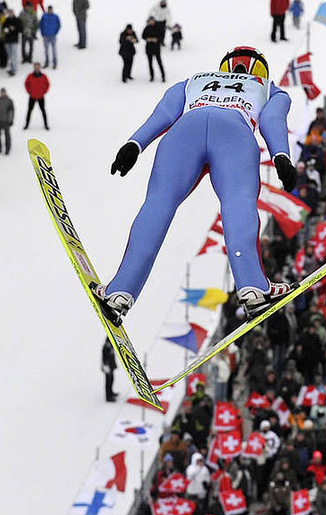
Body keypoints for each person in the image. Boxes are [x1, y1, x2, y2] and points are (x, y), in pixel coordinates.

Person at [97, 46, 297, 324]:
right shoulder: (269, 88)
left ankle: (120, 292)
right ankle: (253, 288)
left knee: (158, 204)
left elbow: (163, 114)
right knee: (237, 204)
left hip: (184, 133)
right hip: (234, 134)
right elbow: (272, 121)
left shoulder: (193, 81)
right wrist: (281, 158)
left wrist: (134, 144)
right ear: (260, 70)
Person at [24, 62, 50, 129]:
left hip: (41, 96)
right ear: (34, 68)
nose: (37, 68)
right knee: (29, 110)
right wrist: (29, 91)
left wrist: (44, 92)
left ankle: (46, 125)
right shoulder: (30, 76)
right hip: (32, 96)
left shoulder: (44, 76)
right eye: (35, 67)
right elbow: (26, 84)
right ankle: (26, 125)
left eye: (38, 67)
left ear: (39, 68)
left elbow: (47, 84)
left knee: (43, 110)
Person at [142, 17, 165, 83]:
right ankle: (152, 76)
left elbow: (162, 36)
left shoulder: (158, 27)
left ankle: (163, 76)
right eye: (150, 21)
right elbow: (143, 36)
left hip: (156, 48)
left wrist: (156, 39)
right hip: (149, 48)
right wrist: (147, 39)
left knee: (159, 62)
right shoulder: (147, 28)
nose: (151, 22)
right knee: (150, 63)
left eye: (152, 21)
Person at [0, 88, 15, 154]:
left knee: (7, 135)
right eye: (1, 92)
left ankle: (7, 149)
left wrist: (10, 120)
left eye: (4, 92)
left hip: (6, 120)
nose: (2, 93)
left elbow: (11, 111)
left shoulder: (9, 101)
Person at [2, 8, 23, 75]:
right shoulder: (7, 20)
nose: (10, 14)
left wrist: (14, 29)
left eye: (11, 13)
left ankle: (14, 70)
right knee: (10, 55)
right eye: (9, 13)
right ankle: (11, 67)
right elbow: (3, 28)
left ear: (13, 13)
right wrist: (7, 29)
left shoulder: (17, 20)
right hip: (7, 40)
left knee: (14, 55)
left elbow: (20, 29)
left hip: (14, 40)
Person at [102, 337, 118, 402]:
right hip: (108, 367)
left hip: (111, 366)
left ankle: (111, 393)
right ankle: (108, 397)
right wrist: (106, 366)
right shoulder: (107, 346)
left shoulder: (110, 345)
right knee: (108, 381)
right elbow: (104, 357)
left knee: (111, 380)